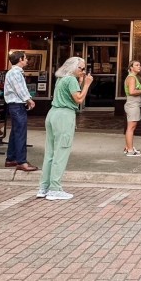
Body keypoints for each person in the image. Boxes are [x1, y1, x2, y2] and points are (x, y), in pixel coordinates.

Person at [38, 56, 92, 201]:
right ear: (73, 67)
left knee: (50, 152)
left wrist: (80, 82)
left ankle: (44, 187)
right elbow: (79, 99)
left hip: (53, 113)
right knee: (61, 152)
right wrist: (86, 84)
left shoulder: (61, 79)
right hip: (64, 115)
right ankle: (55, 188)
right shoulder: (71, 80)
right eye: (81, 68)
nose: (83, 71)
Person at [4, 51, 38, 171]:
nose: (27, 60)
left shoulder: (15, 72)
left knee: (15, 132)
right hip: (17, 105)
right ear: (20, 59)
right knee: (20, 133)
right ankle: (21, 161)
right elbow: (20, 89)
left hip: (16, 105)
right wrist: (29, 100)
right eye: (25, 58)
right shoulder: (15, 73)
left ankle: (11, 158)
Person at [123, 60, 141, 156]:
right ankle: (130, 150)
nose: (139, 66)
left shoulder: (133, 77)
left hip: (132, 104)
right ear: (131, 67)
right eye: (137, 65)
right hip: (132, 104)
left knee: (130, 127)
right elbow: (131, 91)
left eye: (140, 65)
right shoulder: (131, 78)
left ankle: (128, 147)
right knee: (131, 127)